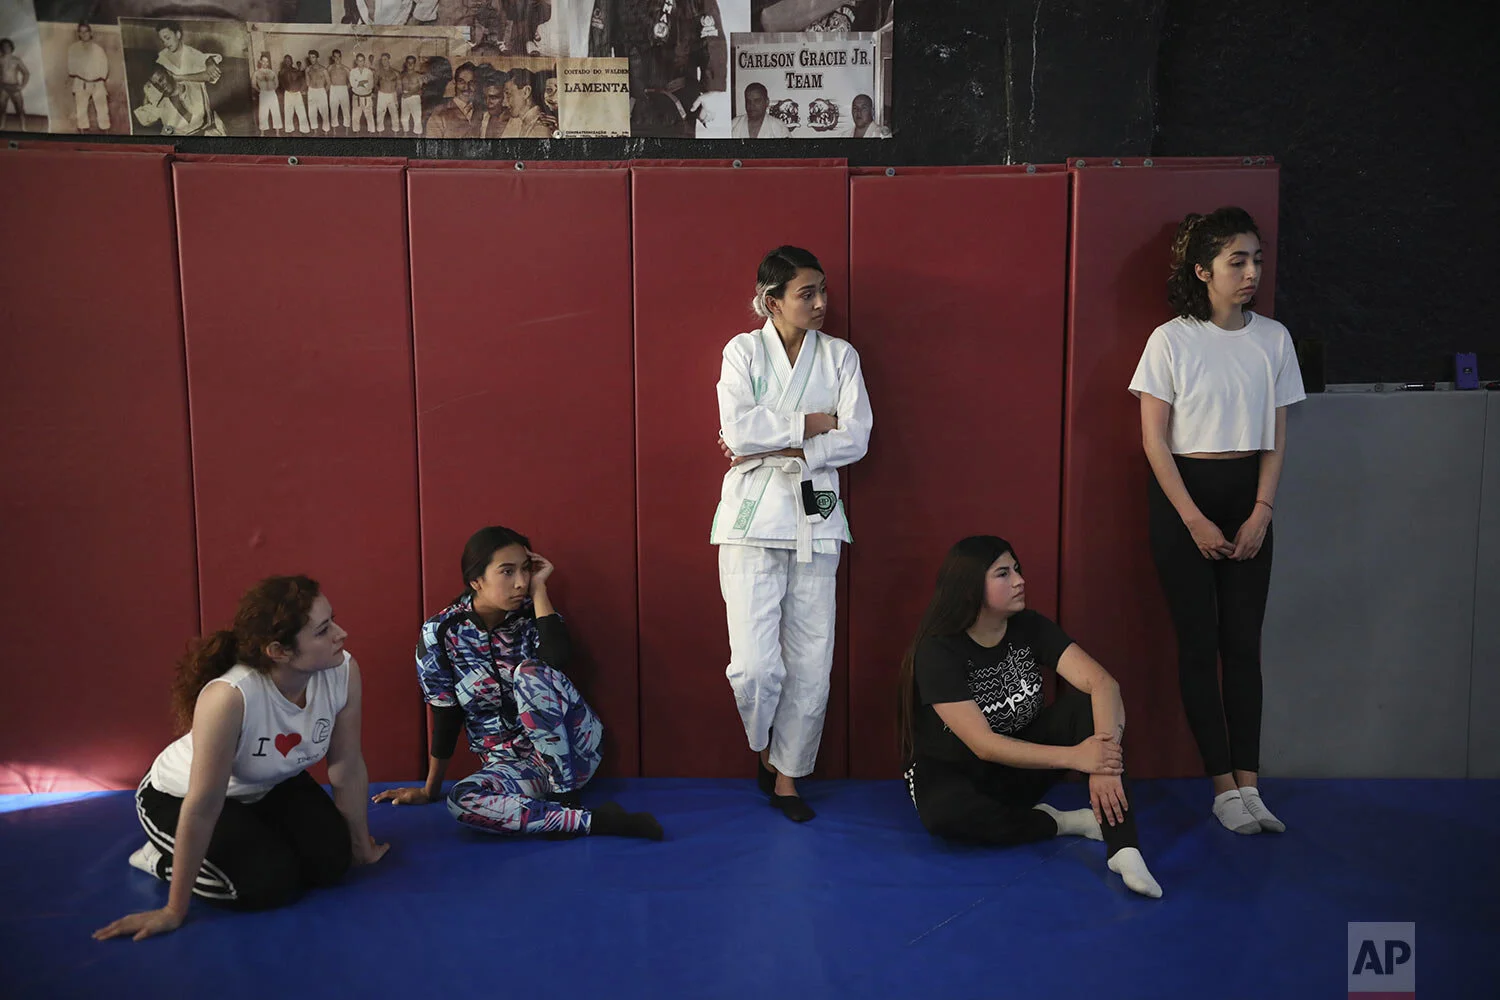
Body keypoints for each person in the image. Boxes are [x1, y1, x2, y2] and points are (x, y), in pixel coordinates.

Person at [1129, 206, 1306, 835]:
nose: (1252, 271)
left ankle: (1252, 783)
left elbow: (1276, 437)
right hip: (1185, 495)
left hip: (1247, 496)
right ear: (1203, 270)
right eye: (1238, 260)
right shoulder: (1171, 339)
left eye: (1257, 258)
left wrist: (1262, 510)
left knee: (1243, 646)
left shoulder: (1274, 339)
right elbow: (1154, 441)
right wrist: (1194, 521)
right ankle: (1222, 787)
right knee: (1200, 645)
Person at [92, 577, 388, 941]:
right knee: (268, 886)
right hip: (181, 796)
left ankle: (264, 843)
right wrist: (174, 909)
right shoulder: (230, 697)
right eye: (323, 630)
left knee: (332, 864)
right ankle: (158, 858)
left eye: (333, 621)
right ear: (279, 651)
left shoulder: (341, 671)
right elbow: (204, 804)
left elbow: (347, 765)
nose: (341, 634)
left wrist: (361, 846)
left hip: (269, 783)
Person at [898, 537, 1163, 898]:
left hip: (1020, 765)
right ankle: (1062, 821)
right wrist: (1076, 757)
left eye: (1017, 569)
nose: (1020, 580)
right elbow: (983, 745)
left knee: (1086, 707)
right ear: (970, 586)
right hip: (954, 772)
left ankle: (1124, 849)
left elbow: (1104, 683)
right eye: (1003, 573)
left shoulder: (1029, 626)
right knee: (946, 817)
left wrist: (1104, 764)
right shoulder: (938, 651)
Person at [713, 246, 872, 822]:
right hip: (751, 519)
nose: (822, 303)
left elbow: (856, 438)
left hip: (816, 515)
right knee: (755, 665)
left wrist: (775, 440)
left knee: (811, 656)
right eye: (807, 293)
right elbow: (737, 426)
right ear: (770, 300)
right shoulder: (742, 351)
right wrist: (811, 423)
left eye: (823, 291)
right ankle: (762, 744)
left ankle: (788, 776)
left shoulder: (841, 357)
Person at [374, 526, 663, 841]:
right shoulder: (441, 633)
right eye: (507, 572)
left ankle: (565, 798)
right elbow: (445, 715)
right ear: (476, 581)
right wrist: (430, 790)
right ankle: (590, 821)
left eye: (525, 569)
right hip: (514, 766)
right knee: (462, 800)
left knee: (529, 674)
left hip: (574, 750)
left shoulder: (535, 615)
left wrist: (540, 591)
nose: (521, 581)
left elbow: (557, 660)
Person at [588, 0, 726, 137]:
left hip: (680, 102)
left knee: (676, 155)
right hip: (630, 102)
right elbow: (600, 38)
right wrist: (600, 88)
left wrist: (713, 89)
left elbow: (711, 38)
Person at [67, 23, 112, 132]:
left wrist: (98, 78)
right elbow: (71, 67)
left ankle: (106, 134)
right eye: (81, 32)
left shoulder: (98, 49)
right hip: (80, 82)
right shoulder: (73, 48)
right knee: (81, 110)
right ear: (78, 34)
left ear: (90, 33)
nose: (84, 34)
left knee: (102, 110)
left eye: (86, 31)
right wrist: (82, 75)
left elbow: (104, 67)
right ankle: (82, 134)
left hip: (97, 83)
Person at [424, 60, 479, 138]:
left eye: (472, 82)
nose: (467, 87)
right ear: (454, 83)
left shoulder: (482, 112)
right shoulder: (439, 113)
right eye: (461, 82)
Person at [499, 66, 549, 137]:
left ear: (526, 92)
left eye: (508, 94)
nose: (504, 103)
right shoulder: (526, 122)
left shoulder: (540, 128)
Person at [0, 39, 31, 132]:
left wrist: (22, 85)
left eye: (8, 46)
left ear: (11, 47)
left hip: (15, 87)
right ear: (1, 48)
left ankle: (23, 127)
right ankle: (1, 125)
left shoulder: (17, 60)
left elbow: (26, 73)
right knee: (2, 108)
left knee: (20, 108)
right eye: (4, 46)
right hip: (4, 87)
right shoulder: (0, 60)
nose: (6, 48)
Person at [252, 51, 281, 135]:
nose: (265, 63)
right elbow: (253, 84)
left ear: (268, 63)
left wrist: (272, 91)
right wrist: (260, 91)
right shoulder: (256, 73)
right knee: (263, 113)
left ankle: (277, 133)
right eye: (263, 61)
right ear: (260, 61)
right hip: (263, 94)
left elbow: (277, 83)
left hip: (272, 94)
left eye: (267, 61)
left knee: (276, 112)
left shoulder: (272, 72)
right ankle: (262, 133)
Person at [280, 54, 308, 134]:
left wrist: (301, 90)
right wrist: (284, 92)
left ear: (292, 61)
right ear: (284, 62)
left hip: (297, 93)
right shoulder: (281, 72)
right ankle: (289, 130)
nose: (287, 62)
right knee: (288, 112)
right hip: (288, 94)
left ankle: (304, 130)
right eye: (286, 60)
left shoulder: (296, 71)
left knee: (301, 111)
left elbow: (303, 81)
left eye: (289, 60)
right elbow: (281, 84)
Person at [305, 49, 331, 134]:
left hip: (321, 91)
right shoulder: (308, 69)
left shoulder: (323, 69)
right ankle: (315, 131)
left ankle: (326, 130)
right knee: (312, 112)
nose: (312, 59)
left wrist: (323, 92)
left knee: (324, 112)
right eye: (310, 57)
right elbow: (307, 82)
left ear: (317, 58)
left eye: (313, 57)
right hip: (311, 91)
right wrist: (309, 90)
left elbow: (329, 83)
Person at [348, 52, 376, 133]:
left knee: (369, 115)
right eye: (359, 61)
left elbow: (370, 85)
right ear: (356, 61)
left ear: (364, 61)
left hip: (367, 96)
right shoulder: (352, 72)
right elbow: (353, 84)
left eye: (362, 61)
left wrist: (359, 82)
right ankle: (356, 130)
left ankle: (371, 130)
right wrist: (363, 82)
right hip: (356, 97)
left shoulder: (369, 72)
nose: (360, 63)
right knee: (355, 116)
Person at [327, 49, 351, 134]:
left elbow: (351, 81)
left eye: (339, 57)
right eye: (335, 57)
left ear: (341, 57)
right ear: (333, 58)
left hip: (343, 89)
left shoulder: (346, 68)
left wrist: (345, 88)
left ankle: (347, 128)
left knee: (346, 109)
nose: (337, 59)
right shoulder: (330, 68)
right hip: (333, 89)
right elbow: (327, 79)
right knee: (333, 109)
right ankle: (334, 128)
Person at [398, 55, 423, 134]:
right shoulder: (402, 75)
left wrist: (410, 94)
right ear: (406, 63)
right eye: (408, 62)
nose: (410, 64)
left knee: (417, 117)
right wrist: (401, 94)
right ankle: (405, 133)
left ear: (414, 64)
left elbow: (421, 89)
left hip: (415, 97)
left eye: (412, 62)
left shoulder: (418, 76)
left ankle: (418, 134)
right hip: (404, 97)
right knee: (404, 118)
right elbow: (399, 88)